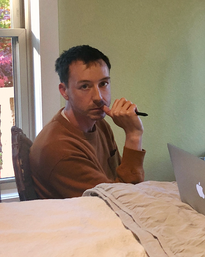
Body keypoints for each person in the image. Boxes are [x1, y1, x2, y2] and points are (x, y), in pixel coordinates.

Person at [29, 45, 145, 198]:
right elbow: (122, 201)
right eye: (84, 86)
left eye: (103, 84)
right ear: (64, 91)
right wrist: (133, 135)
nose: (99, 97)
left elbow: (122, 186)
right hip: (83, 219)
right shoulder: (59, 149)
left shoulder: (99, 123)